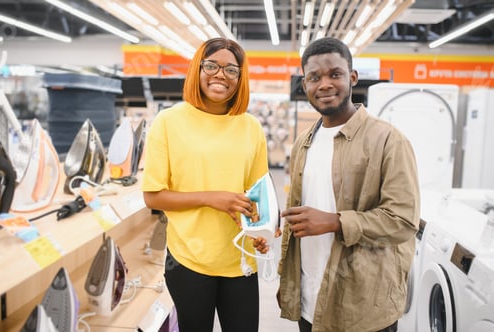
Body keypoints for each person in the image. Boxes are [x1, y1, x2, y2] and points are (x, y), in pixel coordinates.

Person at [277, 37, 420, 332]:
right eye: (314, 77)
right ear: (304, 85)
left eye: (335, 74)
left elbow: (404, 222)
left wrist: (335, 222)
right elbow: (297, 219)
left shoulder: (389, 141)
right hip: (310, 300)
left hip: (362, 306)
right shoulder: (303, 143)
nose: (325, 84)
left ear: (352, 77)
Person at [142, 37, 272, 332]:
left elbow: (257, 197)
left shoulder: (250, 127)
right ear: (197, 70)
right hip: (189, 259)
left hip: (239, 260)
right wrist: (212, 198)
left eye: (231, 70)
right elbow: (153, 196)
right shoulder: (168, 121)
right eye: (211, 65)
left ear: (240, 78)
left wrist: (261, 228)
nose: (220, 75)